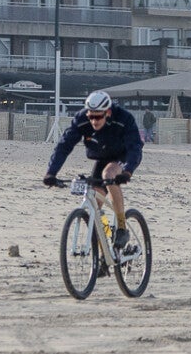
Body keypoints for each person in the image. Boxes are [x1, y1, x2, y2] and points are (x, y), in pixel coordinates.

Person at [42, 89, 144, 254]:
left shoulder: (124, 118)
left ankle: (121, 227)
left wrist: (127, 171)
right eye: (91, 117)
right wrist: (51, 173)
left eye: (98, 117)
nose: (94, 121)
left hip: (123, 155)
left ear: (107, 113)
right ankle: (105, 252)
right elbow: (64, 146)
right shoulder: (81, 119)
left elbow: (135, 147)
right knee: (95, 207)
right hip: (101, 157)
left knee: (108, 175)